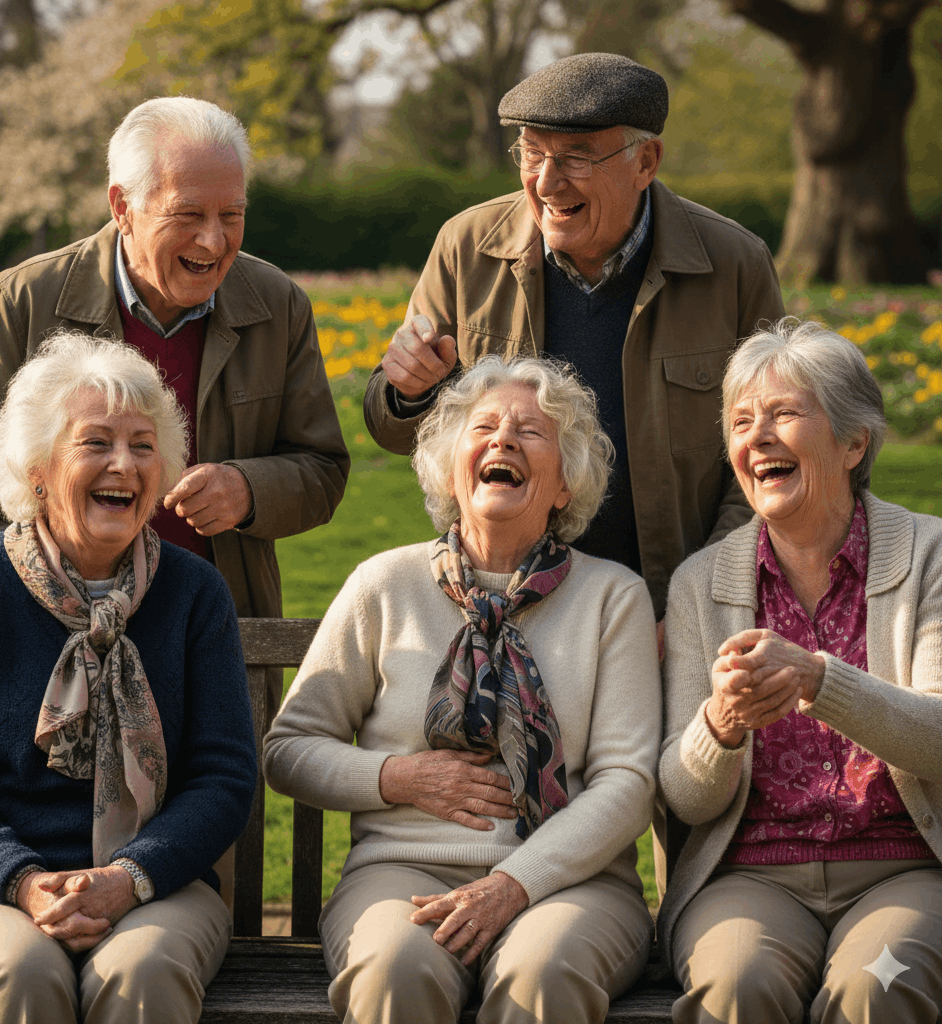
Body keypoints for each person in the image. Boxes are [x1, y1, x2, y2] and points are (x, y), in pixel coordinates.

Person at [0, 95, 349, 719]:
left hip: (206, 639)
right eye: (189, 214)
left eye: (233, 214)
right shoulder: (23, 301)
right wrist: (28, 605)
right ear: (123, 205)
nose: (214, 239)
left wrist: (249, 489)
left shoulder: (278, 305)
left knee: (210, 806)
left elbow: (324, 469)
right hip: (51, 653)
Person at [265, 355, 661, 1024]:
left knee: (543, 974)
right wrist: (398, 777)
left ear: (565, 484)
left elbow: (629, 780)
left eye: (531, 432)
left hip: (572, 881)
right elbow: (290, 748)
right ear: (451, 468)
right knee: (396, 971)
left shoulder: (611, 598)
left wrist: (514, 883)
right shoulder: (383, 585)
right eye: (484, 427)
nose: (503, 440)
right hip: (402, 874)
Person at [363, 52, 784, 620]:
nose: (545, 181)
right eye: (532, 153)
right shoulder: (467, 246)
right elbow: (395, 430)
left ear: (646, 161)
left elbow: (768, 455)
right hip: (504, 607)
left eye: (576, 157)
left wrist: (698, 599)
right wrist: (407, 390)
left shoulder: (733, 264)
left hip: (675, 606)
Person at [0, 332, 258, 1024]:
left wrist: (129, 878)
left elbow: (222, 777)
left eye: (141, 445)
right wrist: (23, 882)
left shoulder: (194, 591)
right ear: (37, 466)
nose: (123, 465)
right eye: (95, 442)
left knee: (143, 973)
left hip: (157, 884)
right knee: (20, 973)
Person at [658, 319, 942, 1024]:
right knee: (735, 988)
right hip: (750, 876)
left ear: (853, 443)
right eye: (742, 421)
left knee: (877, 988)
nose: (757, 437)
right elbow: (683, 799)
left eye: (785, 414)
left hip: (904, 868)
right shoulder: (702, 583)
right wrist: (718, 727)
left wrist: (820, 679)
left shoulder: (929, 556)